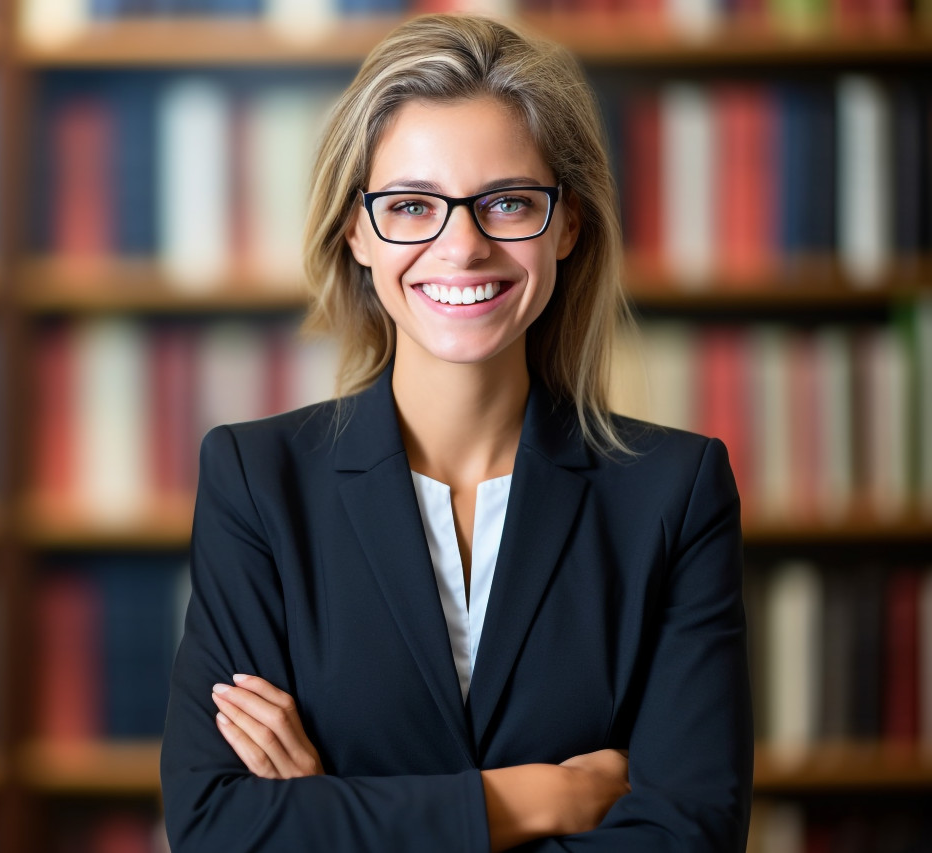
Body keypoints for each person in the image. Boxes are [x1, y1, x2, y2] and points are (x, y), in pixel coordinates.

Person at [159, 12, 752, 852]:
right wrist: (535, 798)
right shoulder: (256, 480)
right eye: (410, 205)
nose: (462, 246)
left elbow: (688, 836)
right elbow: (220, 829)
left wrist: (338, 811)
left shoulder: (676, 491)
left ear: (568, 225)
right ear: (357, 231)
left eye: (508, 202)